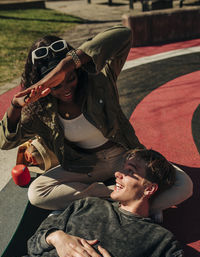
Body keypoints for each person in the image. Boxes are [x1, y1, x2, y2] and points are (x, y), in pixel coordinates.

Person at [0, 26, 192, 214]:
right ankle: (120, 201)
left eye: (70, 78)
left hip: (125, 157)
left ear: (77, 70)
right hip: (85, 166)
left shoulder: (100, 81)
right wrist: (15, 107)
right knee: (37, 193)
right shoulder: (40, 109)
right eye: (56, 85)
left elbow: (123, 35)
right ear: (41, 85)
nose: (66, 88)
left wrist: (68, 63)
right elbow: (4, 142)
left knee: (184, 185)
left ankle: (126, 205)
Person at [0, 149, 192, 257]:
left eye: (130, 171)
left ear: (149, 188)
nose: (117, 173)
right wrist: (56, 238)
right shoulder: (89, 203)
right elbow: (32, 245)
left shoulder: (162, 243)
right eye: (123, 168)